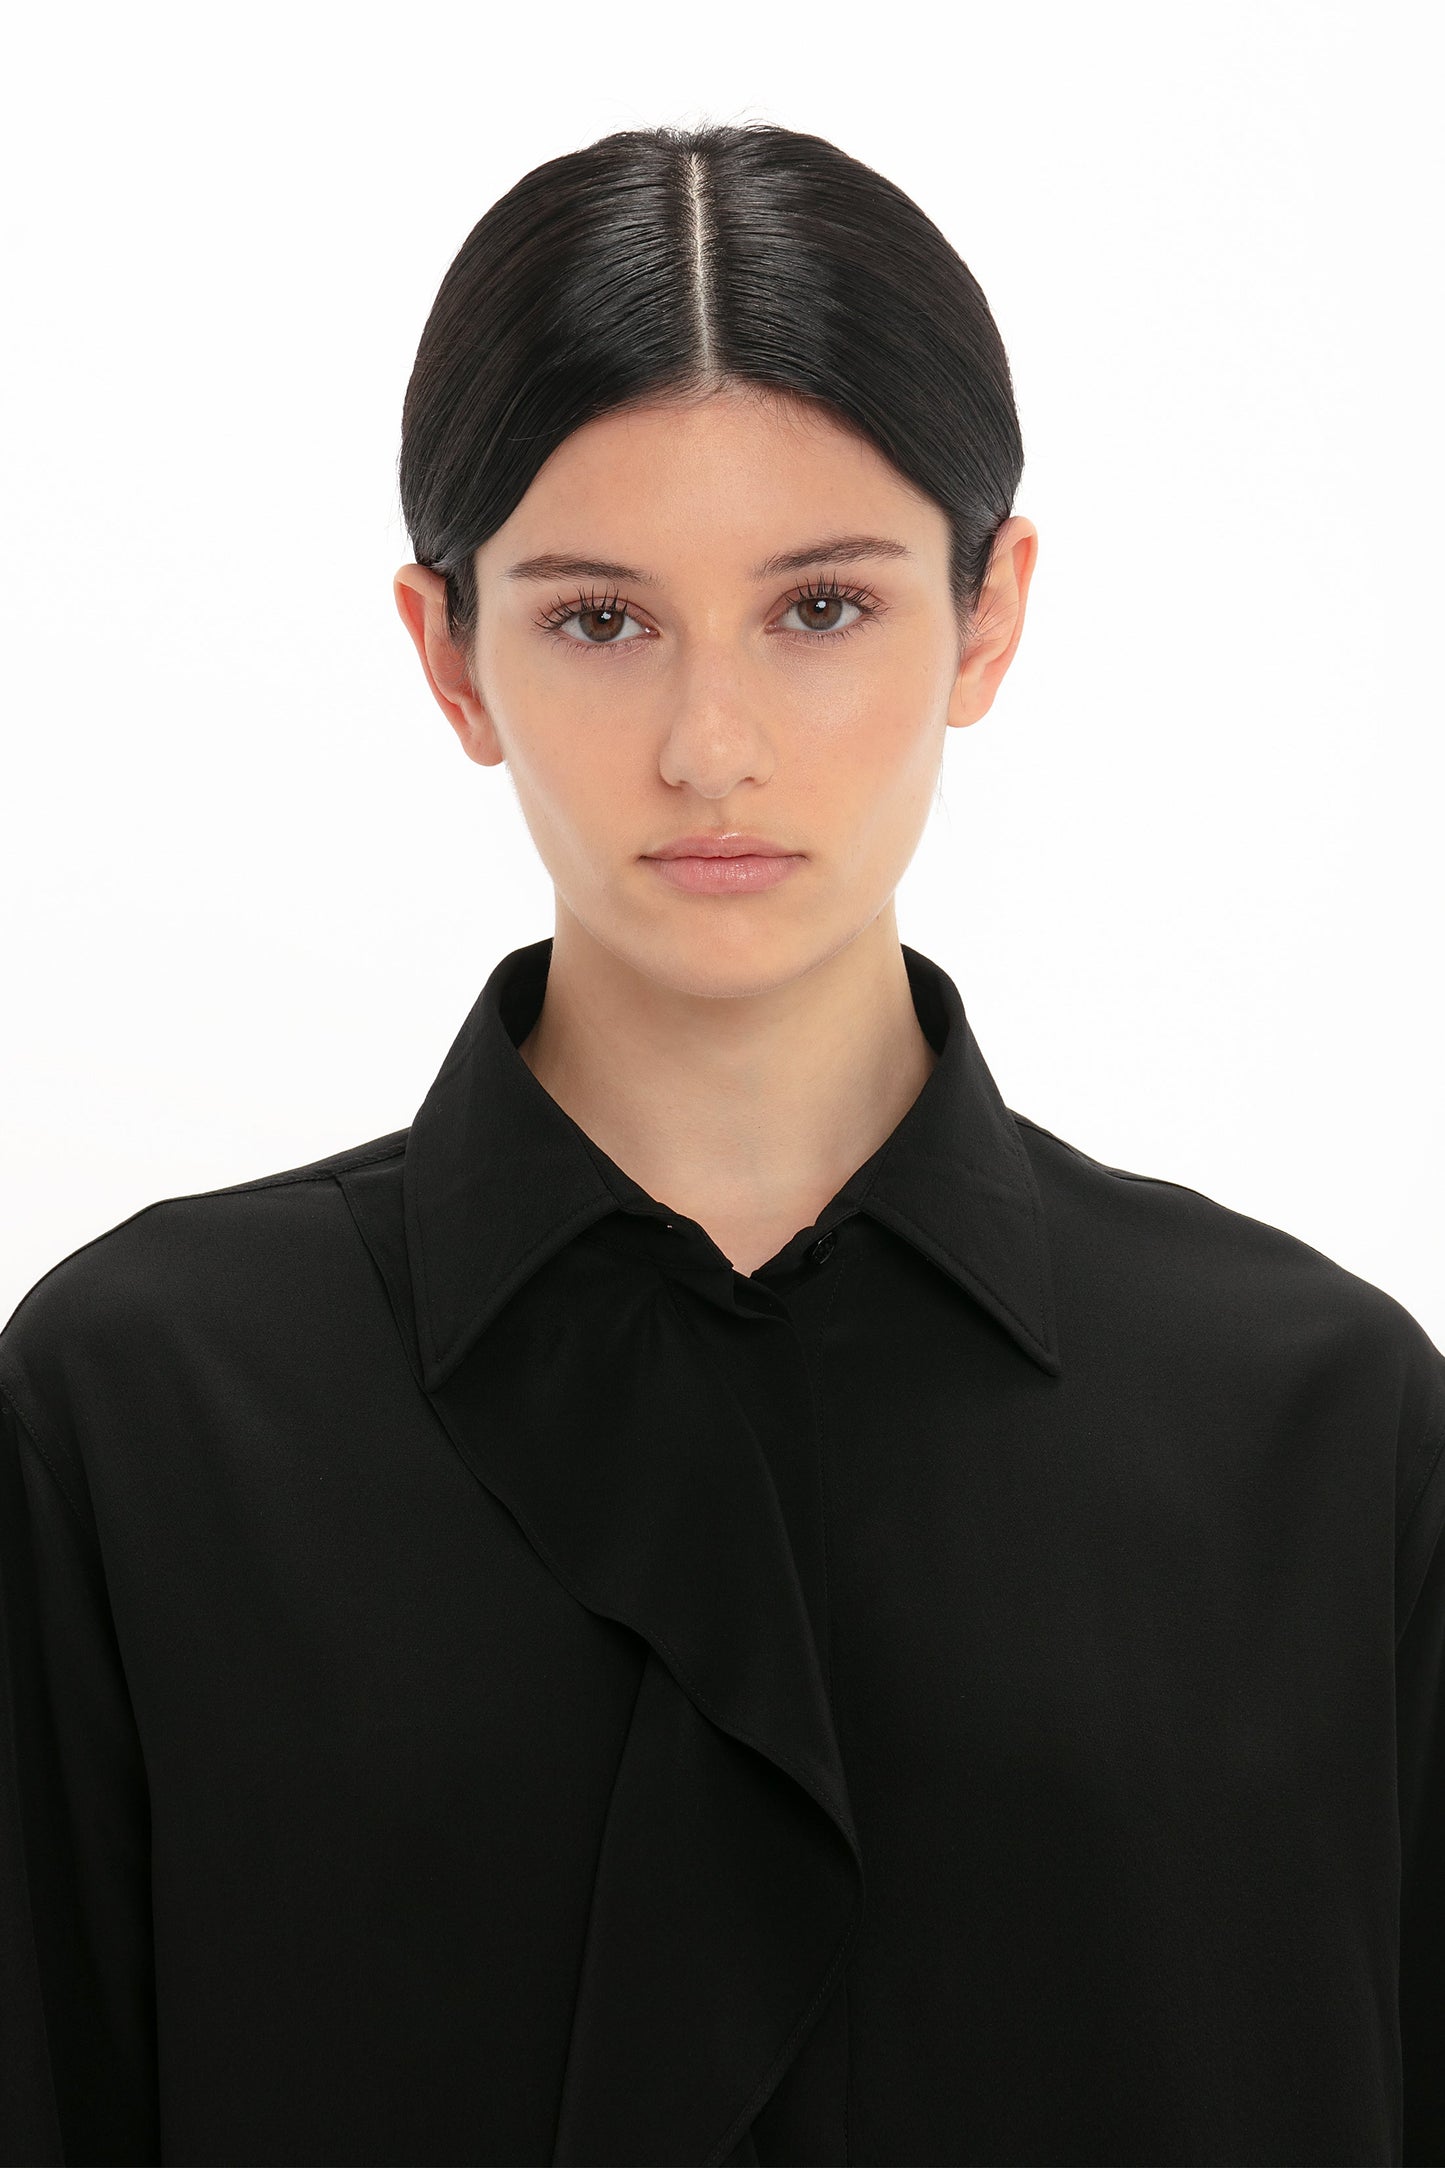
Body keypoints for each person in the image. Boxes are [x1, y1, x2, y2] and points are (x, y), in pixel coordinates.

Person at [1, 118, 1441, 2168]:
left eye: (821, 608)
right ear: (448, 651)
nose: (713, 745)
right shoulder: (145, 1414)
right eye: (601, 619)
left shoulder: (1317, 1431)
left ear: (988, 612)